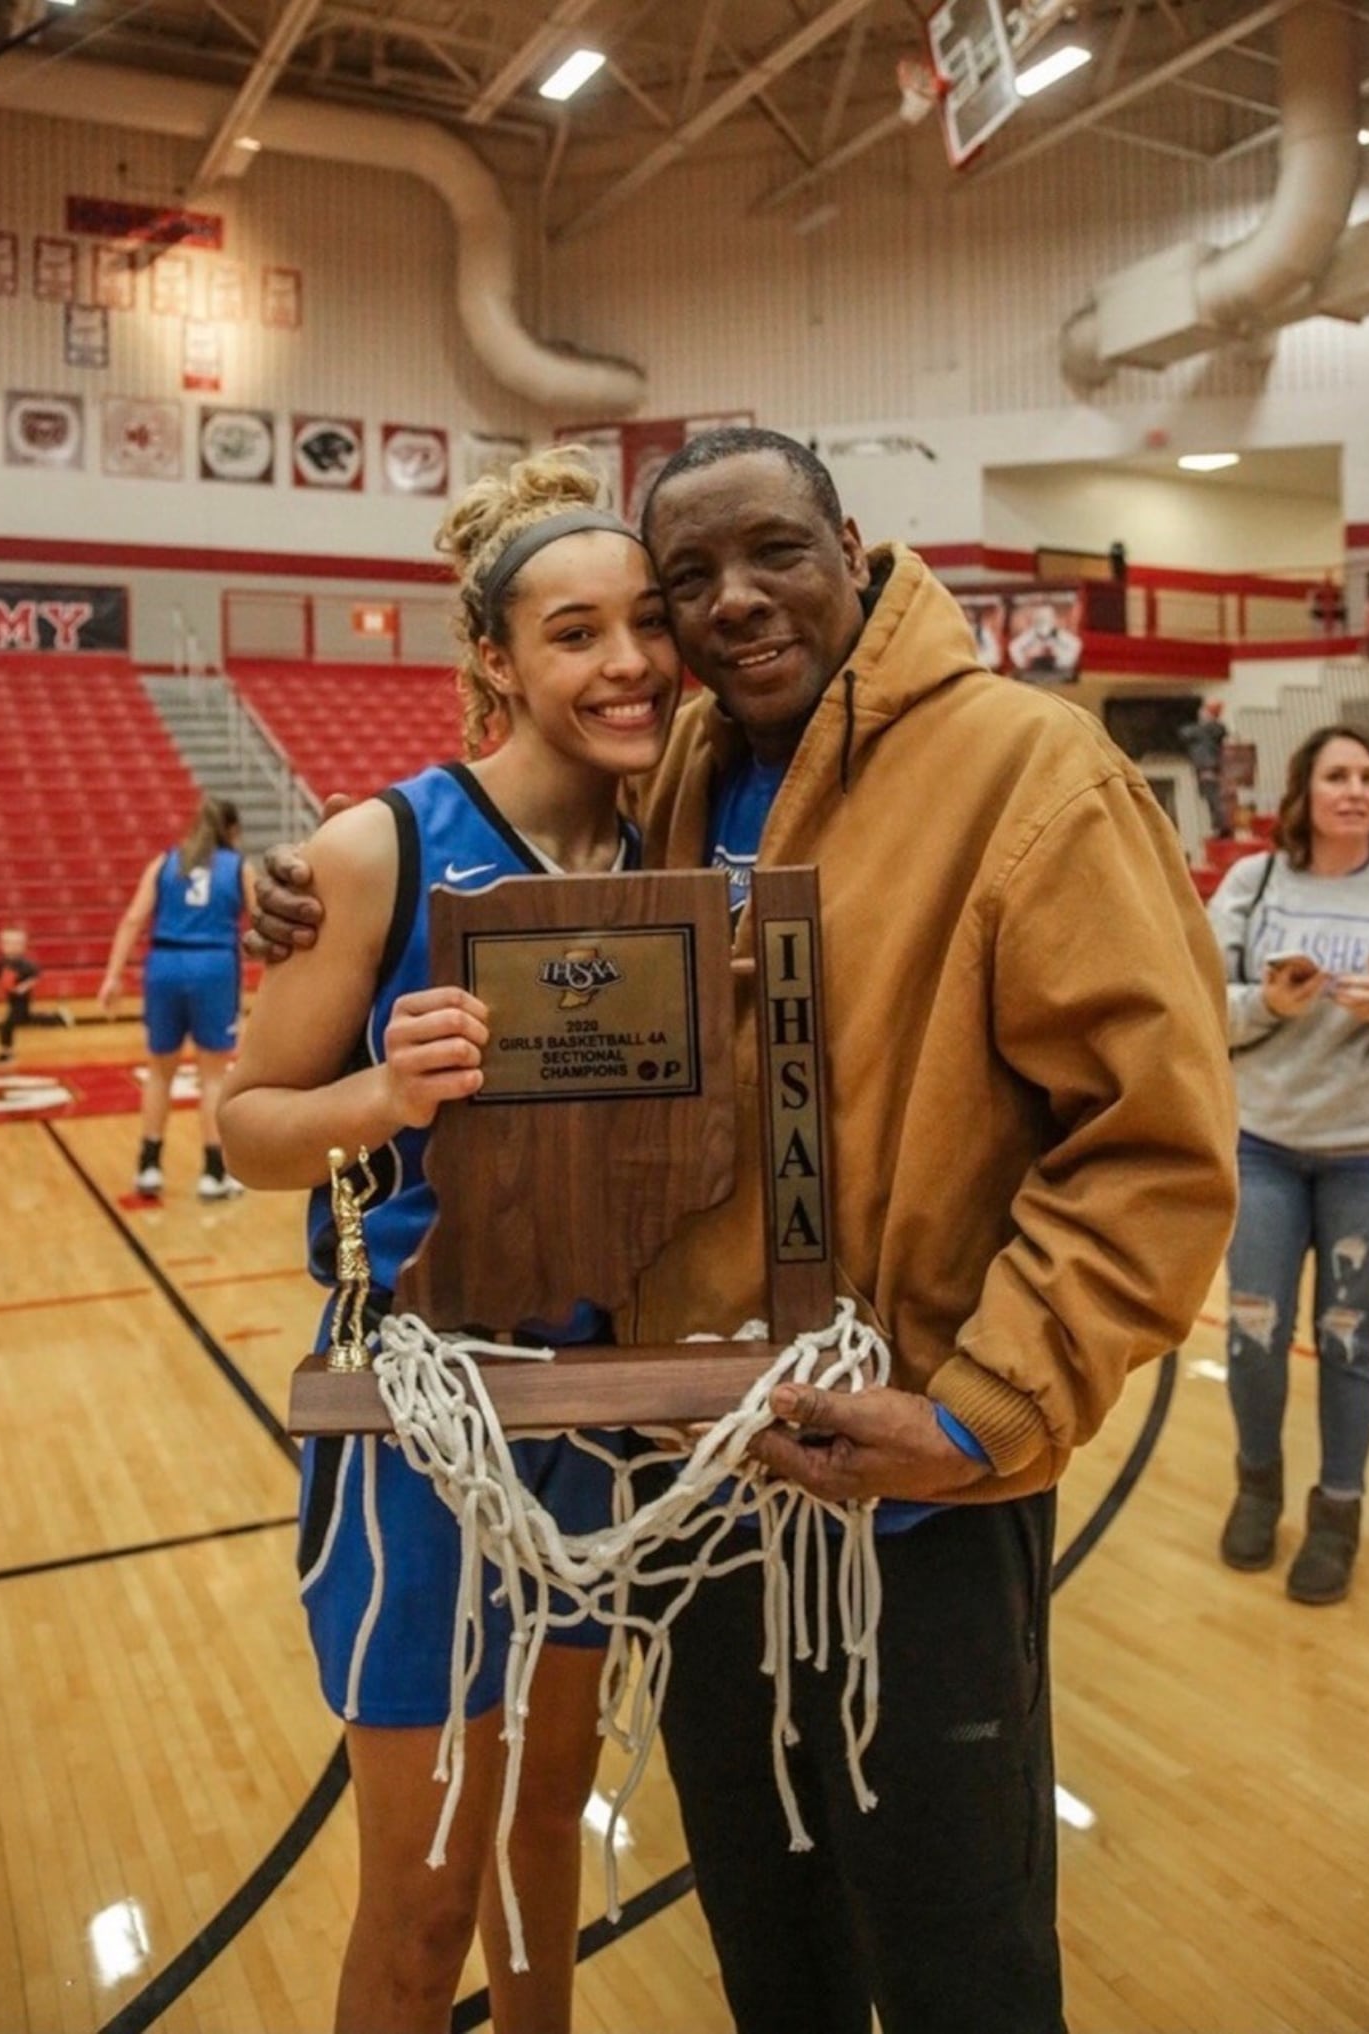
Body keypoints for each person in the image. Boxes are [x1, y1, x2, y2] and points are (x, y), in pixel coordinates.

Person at [249, 426, 1239, 2034]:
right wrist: (303, 888)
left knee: (954, 1962)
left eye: (773, 552)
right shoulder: (691, 767)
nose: (726, 606)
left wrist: (982, 1410)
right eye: (685, 580)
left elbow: (1160, 1142)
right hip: (701, 1483)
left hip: (910, 1484)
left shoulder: (1032, 767)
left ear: (855, 545)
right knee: (771, 1946)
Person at [218, 447, 681, 2034]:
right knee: (420, 1902)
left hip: (598, 1409)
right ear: (493, 656)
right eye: (572, 631)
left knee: (548, 1836)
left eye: (645, 623)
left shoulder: (676, 844)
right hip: (416, 1411)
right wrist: (378, 1090)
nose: (625, 662)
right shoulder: (373, 849)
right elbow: (245, 1121)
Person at [1208, 724, 1369, 1605]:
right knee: (1252, 1336)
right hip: (1263, 1146)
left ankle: (1338, 1516)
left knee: (1346, 1340)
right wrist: (1267, 1005)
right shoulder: (1255, 885)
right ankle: (1258, 1485)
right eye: (1336, 776)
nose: (1354, 790)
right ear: (1305, 792)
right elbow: (1200, 1007)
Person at [98, 794, 255, 1199]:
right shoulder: (239, 868)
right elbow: (262, 925)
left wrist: (112, 977)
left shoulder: (165, 862)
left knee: (159, 1073)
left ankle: (148, 1168)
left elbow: (133, 918)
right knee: (214, 1077)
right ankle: (213, 1173)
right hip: (213, 967)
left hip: (163, 966)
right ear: (233, 832)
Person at [0, 924, 73, 1065]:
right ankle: (58, 1018)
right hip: (11, 999)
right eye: (8, 943)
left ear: (23, 945)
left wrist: (23, 987)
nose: (12, 946)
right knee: (27, 1019)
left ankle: (6, 1053)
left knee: (8, 1025)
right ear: (1, 945)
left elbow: (35, 976)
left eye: (17, 943)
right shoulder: (2, 962)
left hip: (21, 1000)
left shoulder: (25, 964)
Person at [1179, 696, 1232, 838]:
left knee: (1214, 800)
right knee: (1211, 800)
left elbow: (1186, 732)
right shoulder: (1210, 730)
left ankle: (1222, 828)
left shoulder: (1210, 729)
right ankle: (1219, 827)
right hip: (1207, 770)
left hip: (1209, 770)